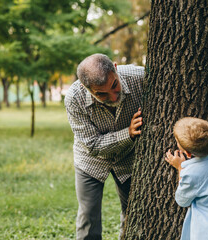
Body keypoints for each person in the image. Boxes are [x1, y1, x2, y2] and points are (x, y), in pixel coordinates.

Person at [64, 53, 144, 240]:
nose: (113, 96)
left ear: (115, 68)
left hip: (128, 156)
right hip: (90, 159)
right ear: (85, 87)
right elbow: (92, 145)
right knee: (88, 216)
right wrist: (128, 133)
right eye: (101, 93)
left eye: (114, 86)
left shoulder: (140, 77)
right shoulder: (73, 99)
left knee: (132, 212)